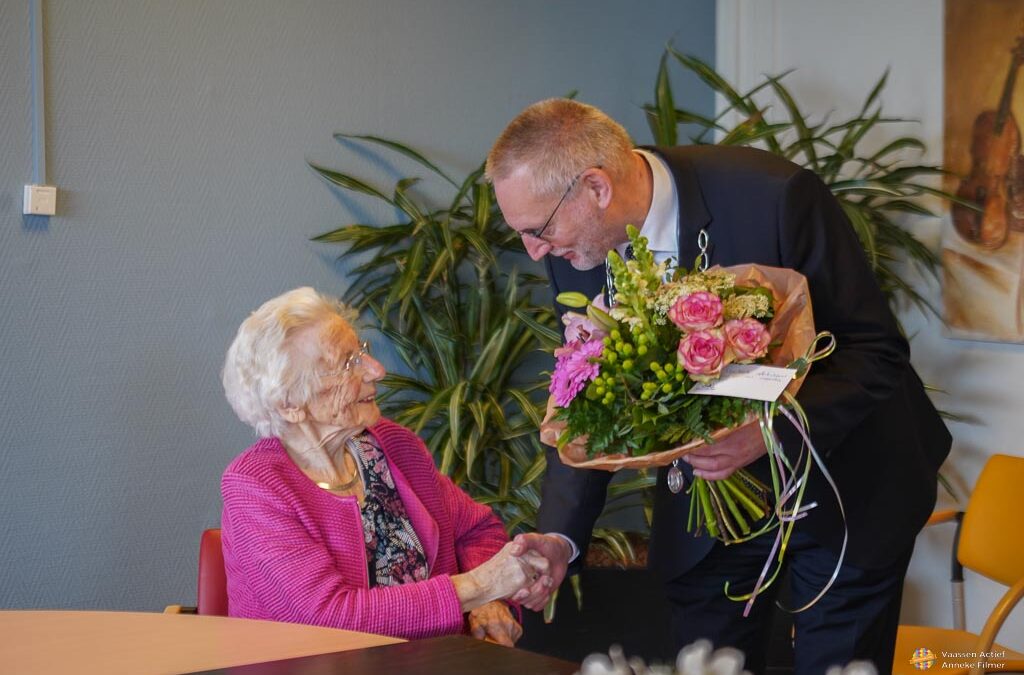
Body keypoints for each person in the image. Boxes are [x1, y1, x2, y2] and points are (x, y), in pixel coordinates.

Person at [487, 99, 952, 673]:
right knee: (703, 662)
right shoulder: (577, 248)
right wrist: (560, 539)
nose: (535, 251)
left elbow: (874, 351)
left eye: (538, 230)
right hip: (708, 514)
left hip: (846, 485)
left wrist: (768, 433)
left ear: (596, 188)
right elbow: (589, 396)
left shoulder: (774, 199)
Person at [220, 287, 547, 643]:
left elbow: (476, 531)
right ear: (290, 404)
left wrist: (489, 602)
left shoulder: (391, 445)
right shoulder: (256, 487)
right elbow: (326, 618)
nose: (377, 370)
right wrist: (479, 586)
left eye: (363, 351)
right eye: (348, 363)